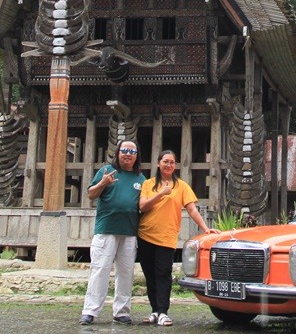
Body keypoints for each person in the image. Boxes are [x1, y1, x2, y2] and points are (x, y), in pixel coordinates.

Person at [137, 150, 218, 326]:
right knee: (150, 275)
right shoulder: (148, 184)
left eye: (172, 162)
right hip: (145, 234)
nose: (169, 165)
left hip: (166, 236)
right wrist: (161, 193)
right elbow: (142, 206)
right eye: (165, 161)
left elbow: (192, 209)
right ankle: (154, 311)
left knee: (163, 274)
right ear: (158, 163)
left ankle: (163, 311)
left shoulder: (181, 186)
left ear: (175, 165)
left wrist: (206, 229)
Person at [80, 139, 146, 326]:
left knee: (126, 272)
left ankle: (122, 311)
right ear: (118, 153)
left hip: (129, 231)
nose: (127, 154)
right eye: (124, 150)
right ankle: (90, 310)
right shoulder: (106, 171)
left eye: (131, 151)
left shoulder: (141, 179)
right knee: (100, 269)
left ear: (136, 156)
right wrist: (103, 182)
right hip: (106, 229)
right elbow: (91, 194)